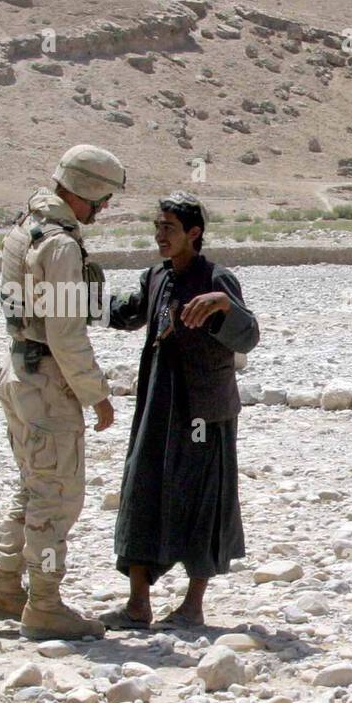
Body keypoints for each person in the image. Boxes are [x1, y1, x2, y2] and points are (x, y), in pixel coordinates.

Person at [0, 144, 125, 640]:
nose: (102, 209)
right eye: (102, 200)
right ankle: (44, 603)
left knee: (32, 487)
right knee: (56, 496)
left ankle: (4, 588)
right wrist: (96, 393)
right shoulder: (60, 244)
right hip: (47, 384)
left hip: (19, 372)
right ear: (85, 192)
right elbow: (66, 331)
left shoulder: (26, 227)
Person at [98, 193, 259, 629]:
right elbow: (128, 313)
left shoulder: (218, 279)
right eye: (157, 226)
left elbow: (248, 336)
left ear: (194, 233)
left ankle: (192, 605)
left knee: (203, 497)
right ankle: (137, 604)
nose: (160, 235)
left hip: (205, 409)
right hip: (158, 404)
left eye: (168, 227)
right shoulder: (155, 276)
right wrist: (75, 300)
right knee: (142, 490)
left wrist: (226, 308)